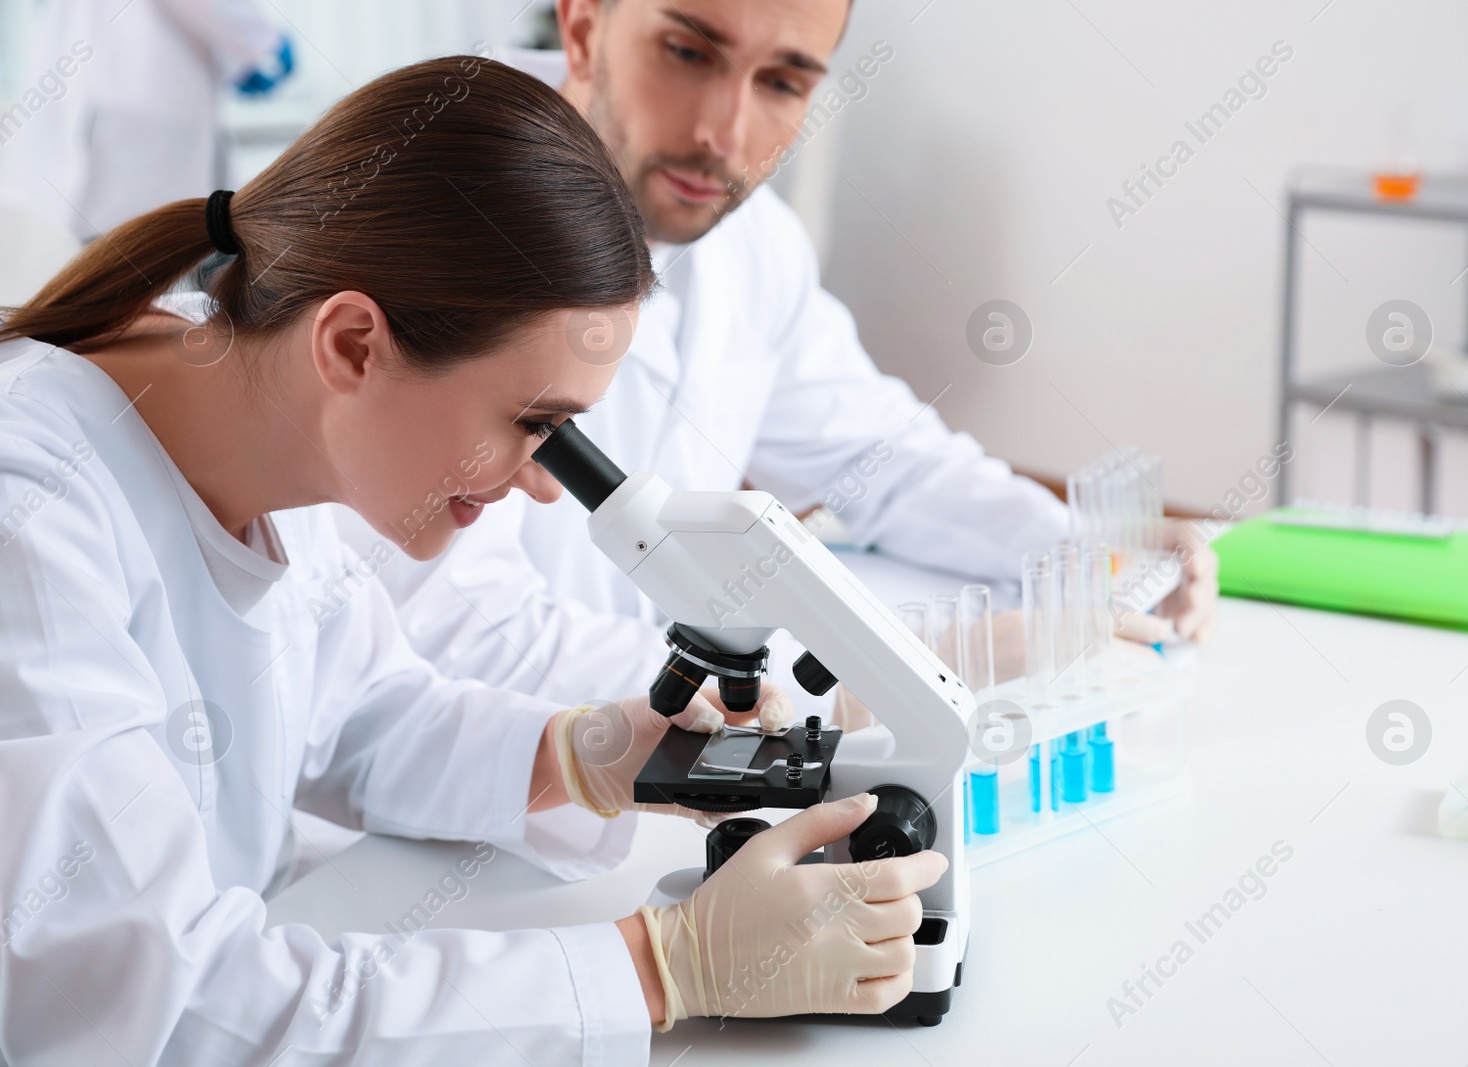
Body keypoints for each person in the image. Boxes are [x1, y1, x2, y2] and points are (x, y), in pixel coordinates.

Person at [0, 56, 944, 1064]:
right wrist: (663, 965)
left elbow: (358, 713)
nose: (544, 483)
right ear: (355, 343)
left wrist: (583, 754)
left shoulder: (260, 400)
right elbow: (179, 1008)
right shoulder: (33, 524)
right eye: (533, 423)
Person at [332, 0, 1220, 721]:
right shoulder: (439, 215)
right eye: (687, 51)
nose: (725, 131)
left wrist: (1087, 552)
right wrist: (888, 672)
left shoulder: (750, 240)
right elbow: (463, 634)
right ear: (583, 24)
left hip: (636, 769)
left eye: (785, 80)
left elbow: (883, 459)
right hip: (451, 818)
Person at [0, 0, 293, 243]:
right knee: (153, 251)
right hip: (142, 104)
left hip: (97, 92)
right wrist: (262, 45)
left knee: (113, 253)